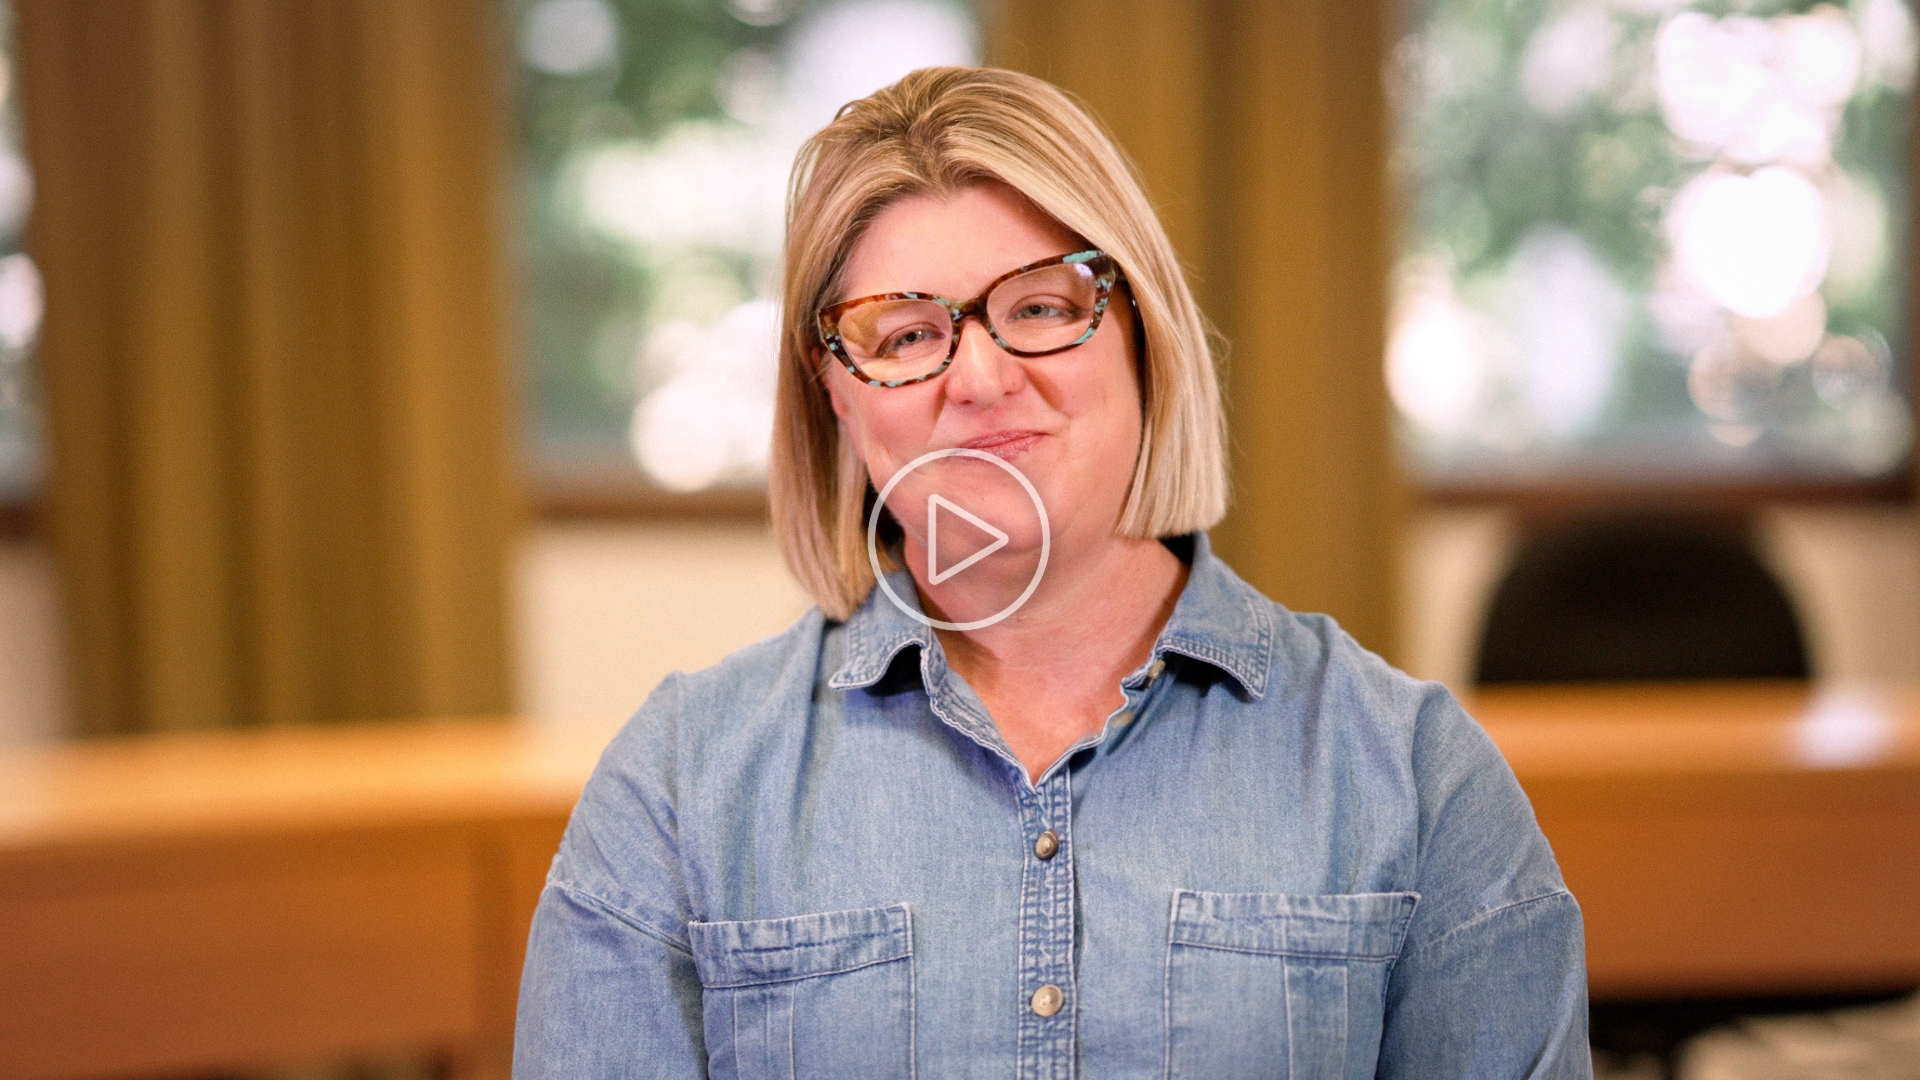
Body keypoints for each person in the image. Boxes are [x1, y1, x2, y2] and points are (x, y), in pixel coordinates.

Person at [514, 66, 1589, 1079]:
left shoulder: (1415, 778)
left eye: (1038, 307)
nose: (979, 378)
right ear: (837, 391)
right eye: (903, 333)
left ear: (1141, 330)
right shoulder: (678, 790)